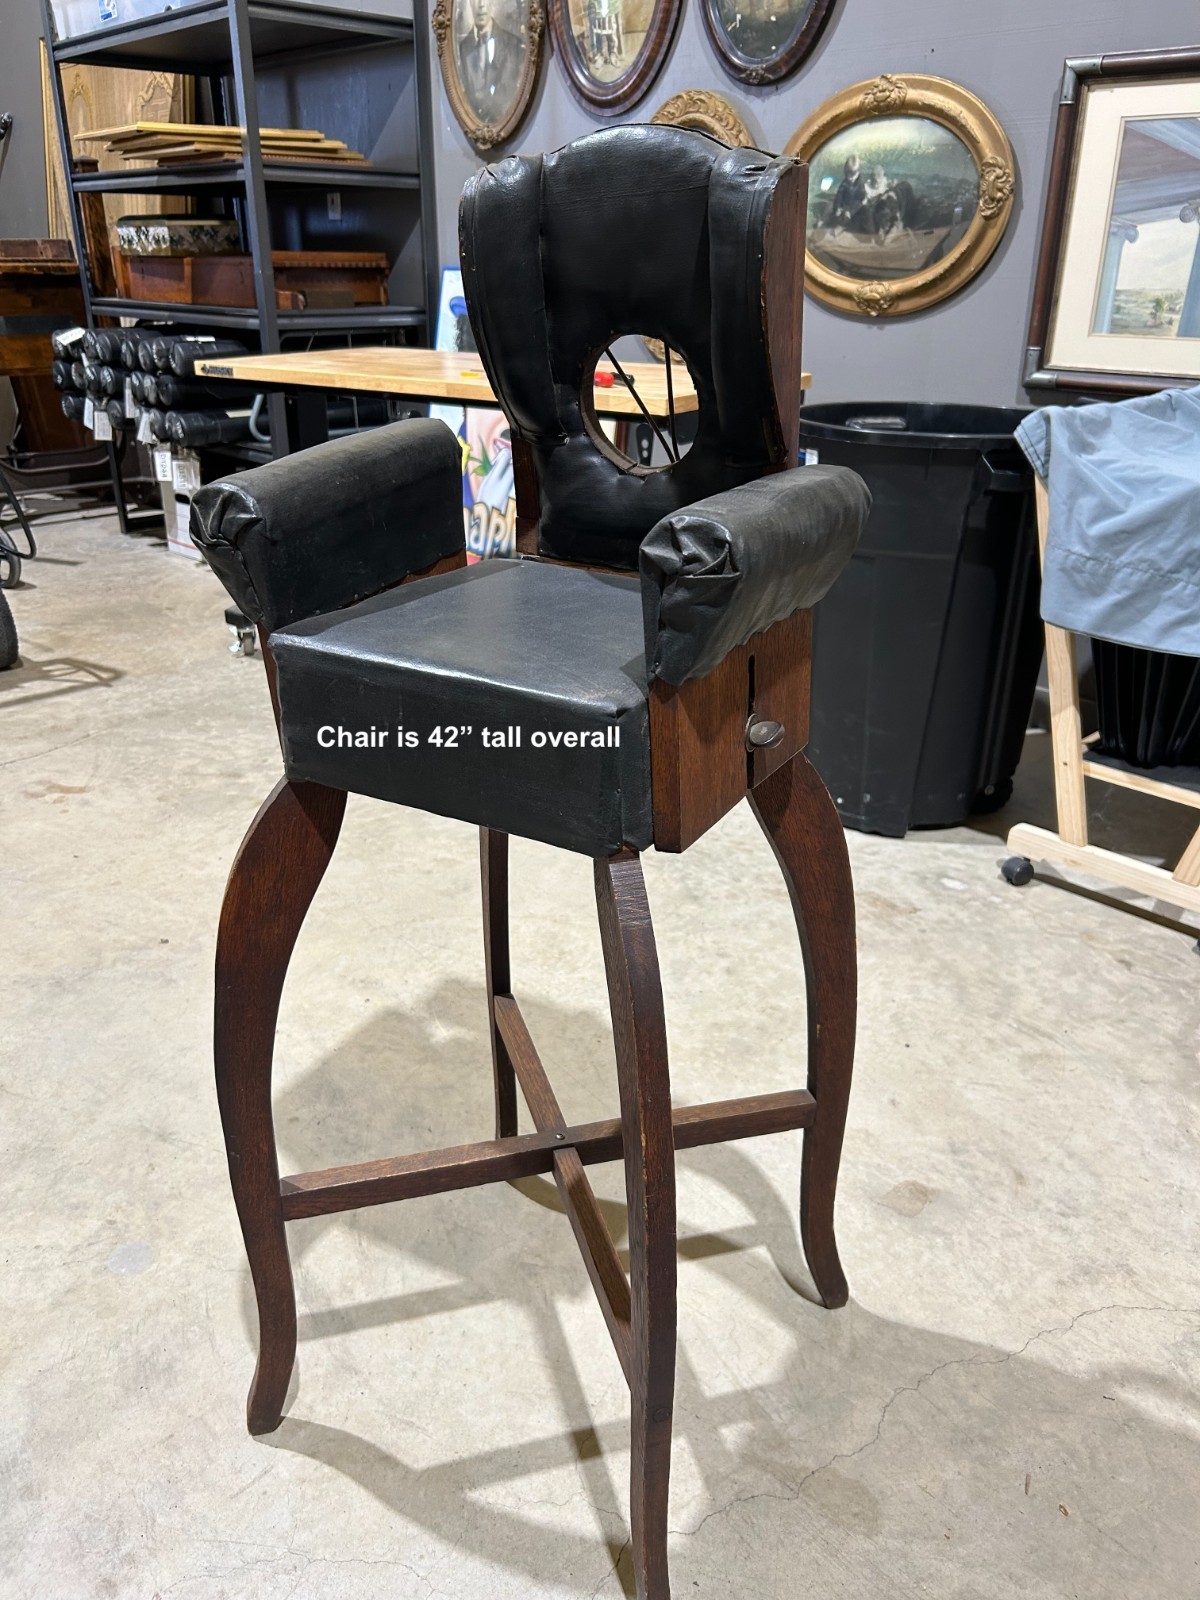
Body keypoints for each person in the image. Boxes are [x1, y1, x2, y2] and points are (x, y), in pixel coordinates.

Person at [458, 0, 523, 126]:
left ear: (493, 3)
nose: (481, 4)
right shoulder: (463, 48)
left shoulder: (513, 45)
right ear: (470, 3)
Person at [830, 154, 866, 232]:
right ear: (845, 171)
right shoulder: (844, 183)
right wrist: (837, 208)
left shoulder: (861, 183)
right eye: (848, 173)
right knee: (830, 210)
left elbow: (861, 200)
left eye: (853, 174)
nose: (850, 177)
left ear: (858, 172)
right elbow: (839, 196)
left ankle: (841, 227)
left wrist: (850, 211)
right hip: (845, 206)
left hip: (856, 209)